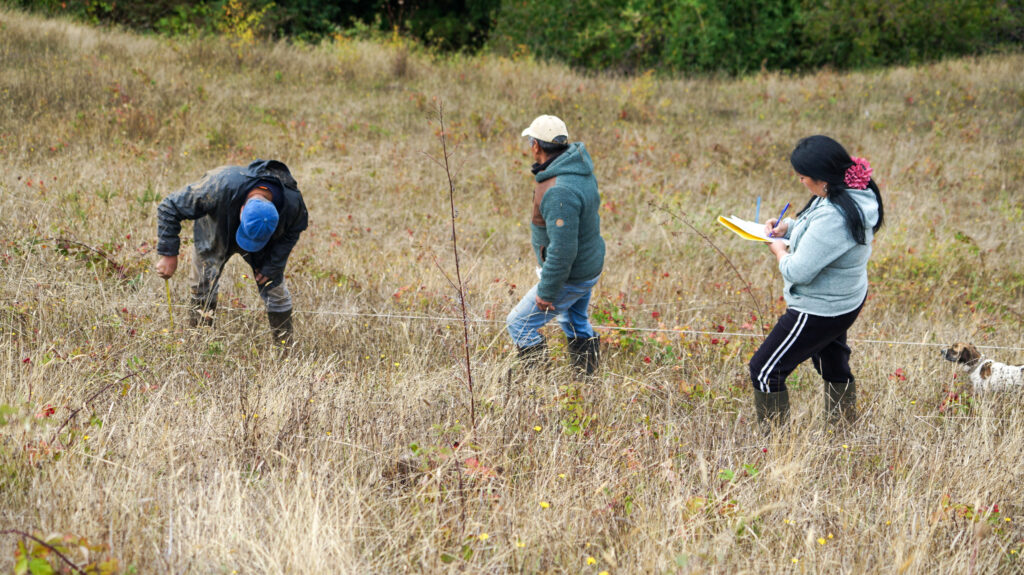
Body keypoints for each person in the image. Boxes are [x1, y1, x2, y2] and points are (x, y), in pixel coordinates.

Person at [749, 135, 884, 428]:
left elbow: (798, 271)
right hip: (844, 299)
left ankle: (775, 447)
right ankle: (843, 429)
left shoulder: (835, 214)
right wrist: (789, 226)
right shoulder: (850, 192)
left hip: (819, 307)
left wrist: (779, 250)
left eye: (802, 177)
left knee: (764, 370)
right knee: (833, 364)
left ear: (822, 178)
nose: (800, 182)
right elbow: (821, 236)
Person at [154, 159, 308, 346]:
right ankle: (199, 343)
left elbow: (292, 233)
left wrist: (272, 265)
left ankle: (286, 350)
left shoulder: (292, 204)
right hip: (216, 228)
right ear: (242, 210)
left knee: (275, 290)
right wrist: (168, 254)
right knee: (202, 285)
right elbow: (169, 207)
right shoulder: (219, 186)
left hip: (266, 246)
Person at [506, 115, 606, 377]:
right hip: (587, 266)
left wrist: (548, 291)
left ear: (536, 146)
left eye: (530, 141)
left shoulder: (559, 190)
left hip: (572, 275)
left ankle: (537, 387)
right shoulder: (577, 169)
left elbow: (563, 250)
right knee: (574, 320)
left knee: (519, 324)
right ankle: (587, 382)